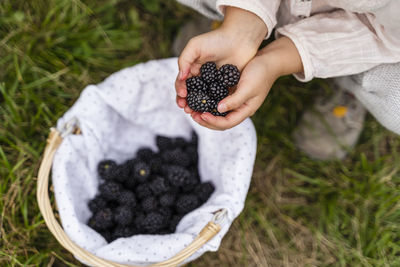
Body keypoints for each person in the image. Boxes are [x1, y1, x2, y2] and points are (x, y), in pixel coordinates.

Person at [173, 0, 400, 160]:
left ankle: (349, 84)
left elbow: (385, 36)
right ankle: (230, 21)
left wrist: (277, 60)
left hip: (368, 36)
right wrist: (243, 25)